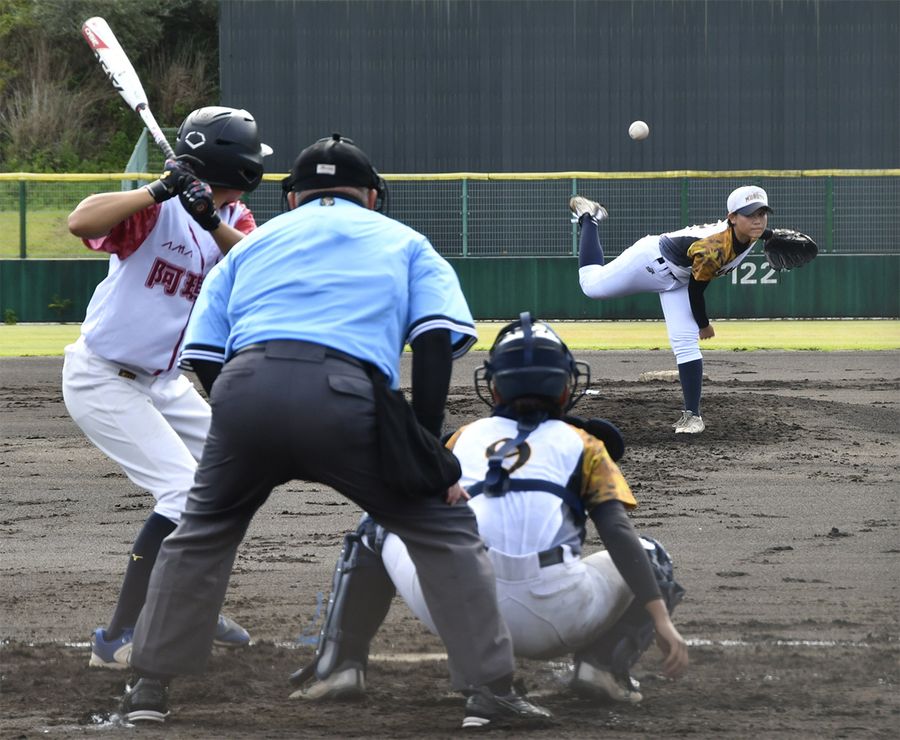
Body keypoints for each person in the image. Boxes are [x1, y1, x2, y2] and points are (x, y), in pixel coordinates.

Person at [114, 133, 553, 730]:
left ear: (292, 198)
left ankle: (147, 691)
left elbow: (206, 354)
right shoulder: (406, 242)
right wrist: (425, 449)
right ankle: (491, 693)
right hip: (348, 396)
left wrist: (244, 422)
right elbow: (432, 341)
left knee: (201, 532)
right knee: (442, 527)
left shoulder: (251, 245)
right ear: (372, 195)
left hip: (245, 390)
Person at [290, 313, 689, 712]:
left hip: (460, 615)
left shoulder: (465, 436)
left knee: (377, 523)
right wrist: (661, 620)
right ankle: (604, 668)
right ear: (566, 386)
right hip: (559, 620)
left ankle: (339, 666)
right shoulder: (584, 443)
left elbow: (417, 509)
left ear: (494, 388)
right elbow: (616, 530)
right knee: (651, 556)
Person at [63, 106, 273, 669]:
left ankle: (192, 604)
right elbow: (81, 222)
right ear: (244, 166)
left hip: (165, 382)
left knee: (237, 472)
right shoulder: (152, 212)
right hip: (104, 377)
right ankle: (117, 637)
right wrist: (160, 189)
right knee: (182, 491)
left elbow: (257, 266)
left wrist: (208, 216)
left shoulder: (234, 217)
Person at [570, 186, 773, 434]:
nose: (757, 220)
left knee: (685, 343)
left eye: (762, 213)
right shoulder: (714, 248)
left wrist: (775, 236)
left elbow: (762, 232)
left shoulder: (750, 233)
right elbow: (696, 292)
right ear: (732, 217)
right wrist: (703, 324)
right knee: (591, 285)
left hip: (681, 277)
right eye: (750, 214)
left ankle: (692, 416)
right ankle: (589, 217)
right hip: (651, 262)